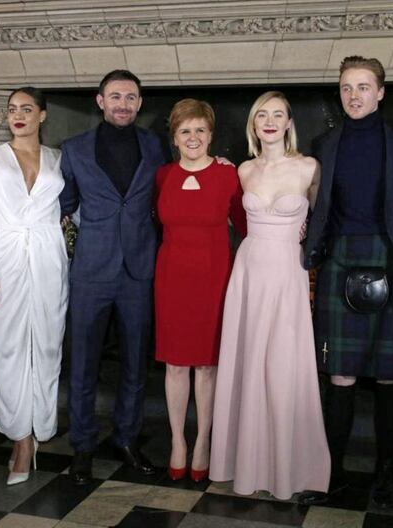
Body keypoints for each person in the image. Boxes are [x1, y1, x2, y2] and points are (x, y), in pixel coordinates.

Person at [300, 56, 393, 508]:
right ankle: (332, 472)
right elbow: (316, 203)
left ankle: (385, 473)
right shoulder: (324, 142)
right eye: (347, 88)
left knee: (391, 375)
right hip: (339, 261)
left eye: (364, 87)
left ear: (381, 92)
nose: (354, 95)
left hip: (390, 260)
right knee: (341, 373)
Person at [210, 91, 329, 500]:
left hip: (287, 275)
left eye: (278, 114)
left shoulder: (310, 167)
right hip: (249, 271)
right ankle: (242, 464)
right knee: (248, 361)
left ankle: (287, 467)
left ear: (290, 122)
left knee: (282, 366)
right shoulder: (242, 171)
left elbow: (322, 219)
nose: (270, 121)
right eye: (262, 114)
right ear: (253, 124)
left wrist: (306, 240)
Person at [59, 70, 167, 485]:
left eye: (131, 97)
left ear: (140, 103)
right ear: (100, 100)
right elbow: (65, 204)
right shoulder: (74, 149)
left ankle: (126, 438)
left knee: (136, 363)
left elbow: (171, 190)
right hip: (90, 270)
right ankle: (83, 446)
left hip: (140, 269)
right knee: (83, 363)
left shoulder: (156, 146)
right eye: (116, 96)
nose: (124, 103)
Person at [0, 87, 68, 486]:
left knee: (46, 344)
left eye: (27, 109)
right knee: (7, 348)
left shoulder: (59, 159)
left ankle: (40, 429)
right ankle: (19, 438)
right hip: (3, 257)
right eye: (12, 109)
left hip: (47, 256)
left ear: (42, 115)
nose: (18, 115)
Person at [154, 99, 246, 482]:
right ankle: (178, 441)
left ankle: (204, 441)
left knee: (207, 366)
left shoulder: (229, 176)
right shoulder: (162, 176)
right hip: (172, 278)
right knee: (176, 365)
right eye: (185, 131)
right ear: (175, 138)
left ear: (211, 135)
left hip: (214, 279)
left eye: (200, 130)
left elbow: (246, 225)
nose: (193, 137)